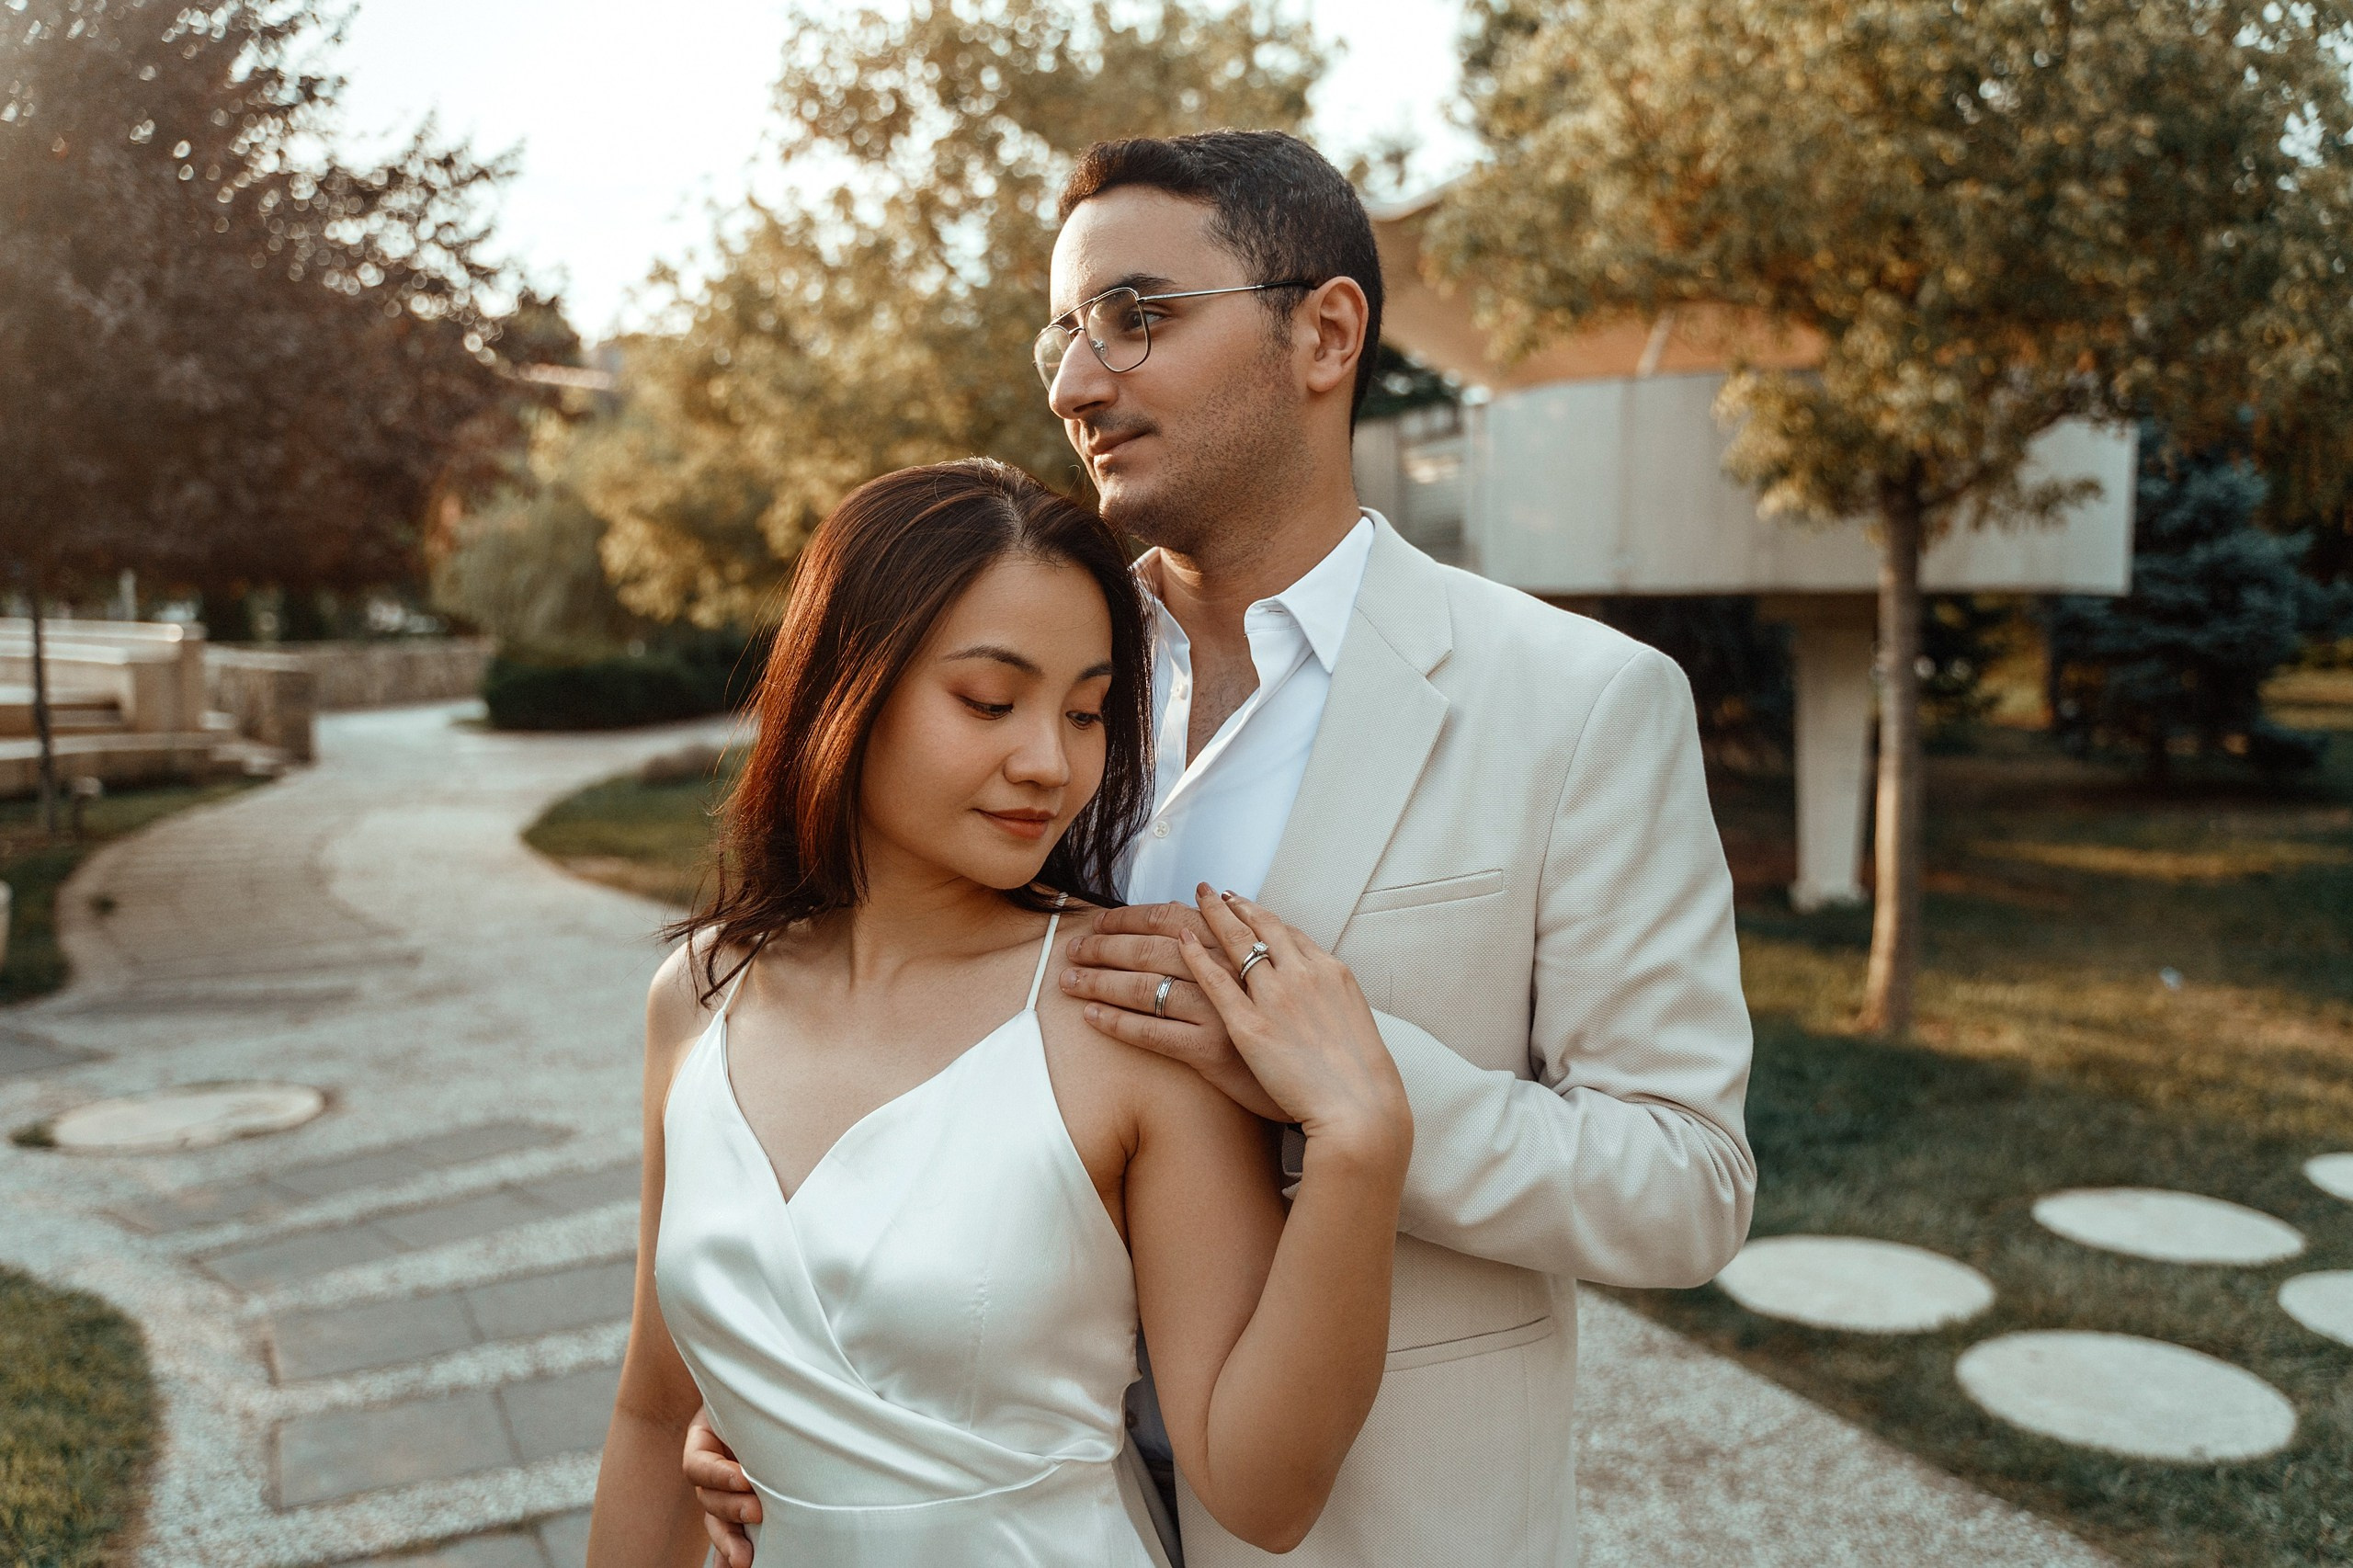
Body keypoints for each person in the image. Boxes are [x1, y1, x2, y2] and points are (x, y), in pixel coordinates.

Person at [692, 131, 1758, 1567]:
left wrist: (1358, 1088)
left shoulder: (1580, 704)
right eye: (1063, 336)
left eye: (1134, 318)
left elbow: (1690, 1185)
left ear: (1323, 333)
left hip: (1385, 1526)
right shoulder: (1029, 679)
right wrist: (806, 1379)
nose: (1076, 385)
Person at [585, 460, 1415, 1567]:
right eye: (988, 700)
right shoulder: (700, 992)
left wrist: (1362, 1144)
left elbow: (1263, 1492)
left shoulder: (1116, 1012)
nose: (1050, 763)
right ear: (847, 684)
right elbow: (652, 1410)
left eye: (1084, 711)